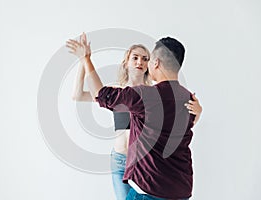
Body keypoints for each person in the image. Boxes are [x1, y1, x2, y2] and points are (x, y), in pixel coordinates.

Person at [66, 33, 202, 200]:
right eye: (135, 57)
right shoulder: (127, 91)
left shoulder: (150, 94)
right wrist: (83, 61)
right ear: (126, 62)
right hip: (121, 160)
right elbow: (79, 95)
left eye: (146, 59)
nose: (140, 62)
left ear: (153, 64)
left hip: (144, 166)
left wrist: (199, 112)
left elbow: (179, 127)